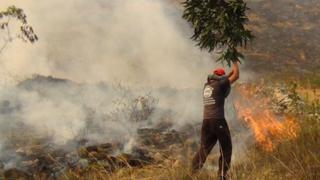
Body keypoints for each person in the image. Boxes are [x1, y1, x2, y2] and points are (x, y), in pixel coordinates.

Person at [192, 61, 240, 180]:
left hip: (206, 122)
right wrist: (234, 60)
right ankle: (222, 176)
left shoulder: (207, 86)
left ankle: (191, 174)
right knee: (226, 148)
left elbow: (222, 80)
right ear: (221, 78)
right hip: (218, 121)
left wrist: (226, 76)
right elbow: (237, 75)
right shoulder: (220, 85)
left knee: (204, 149)